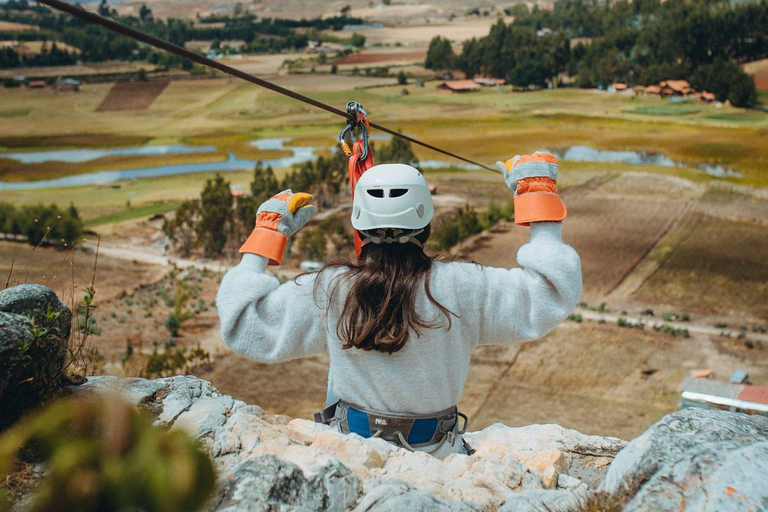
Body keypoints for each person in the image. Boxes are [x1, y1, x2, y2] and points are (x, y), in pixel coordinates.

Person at [216, 152, 581, 459]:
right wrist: (537, 200)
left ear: (359, 228)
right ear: (426, 225)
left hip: (351, 451)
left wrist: (265, 236)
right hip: (438, 453)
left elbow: (244, 325)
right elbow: (549, 292)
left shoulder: (330, 290)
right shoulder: (463, 285)